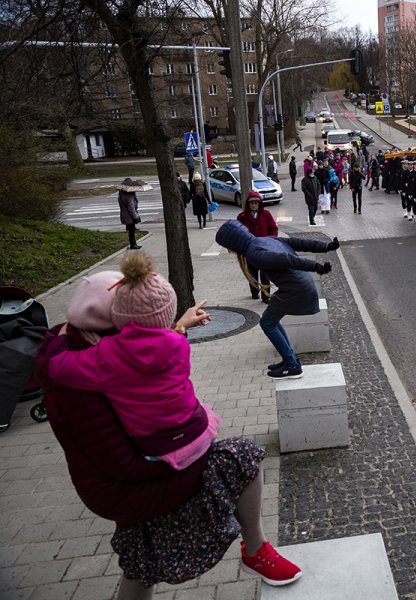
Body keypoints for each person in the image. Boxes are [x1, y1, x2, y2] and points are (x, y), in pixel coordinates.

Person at [34, 271, 302, 600]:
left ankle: (255, 550)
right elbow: (118, 462)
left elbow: (143, 349)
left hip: (133, 471)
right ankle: (255, 551)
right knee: (242, 458)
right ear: (112, 321)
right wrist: (186, 458)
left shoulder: (95, 349)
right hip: (124, 484)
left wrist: (181, 325)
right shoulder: (78, 379)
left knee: (141, 557)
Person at [47, 252, 220, 471]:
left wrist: (60, 339)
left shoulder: (106, 355)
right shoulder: (178, 343)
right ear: (167, 317)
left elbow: (58, 366)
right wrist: (182, 324)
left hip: (157, 446)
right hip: (196, 429)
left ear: (119, 315)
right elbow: (162, 339)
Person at [216, 220, 339, 378]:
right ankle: (290, 358)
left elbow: (286, 259)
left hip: (295, 288)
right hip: (299, 283)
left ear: (233, 242)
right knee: (271, 320)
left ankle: (292, 365)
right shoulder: (264, 240)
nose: (228, 251)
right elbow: (297, 243)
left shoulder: (254, 254)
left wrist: (316, 266)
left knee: (267, 322)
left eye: (227, 246)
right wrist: (326, 246)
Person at [236, 190, 278, 302]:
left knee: (265, 275)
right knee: (252, 273)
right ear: (248, 204)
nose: (254, 205)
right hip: (249, 250)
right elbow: (238, 233)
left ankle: (266, 296)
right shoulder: (242, 217)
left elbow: (273, 229)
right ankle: (255, 292)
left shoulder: (266, 214)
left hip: (264, 250)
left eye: (256, 203)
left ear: (259, 204)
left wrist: (271, 241)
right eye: (251, 203)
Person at [117, 178, 144, 250]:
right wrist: (135, 216)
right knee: (132, 231)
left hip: (125, 214)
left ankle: (133, 244)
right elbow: (131, 207)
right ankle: (133, 244)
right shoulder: (128, 195)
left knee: (131, 230)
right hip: (129, 215)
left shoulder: (121, 193)